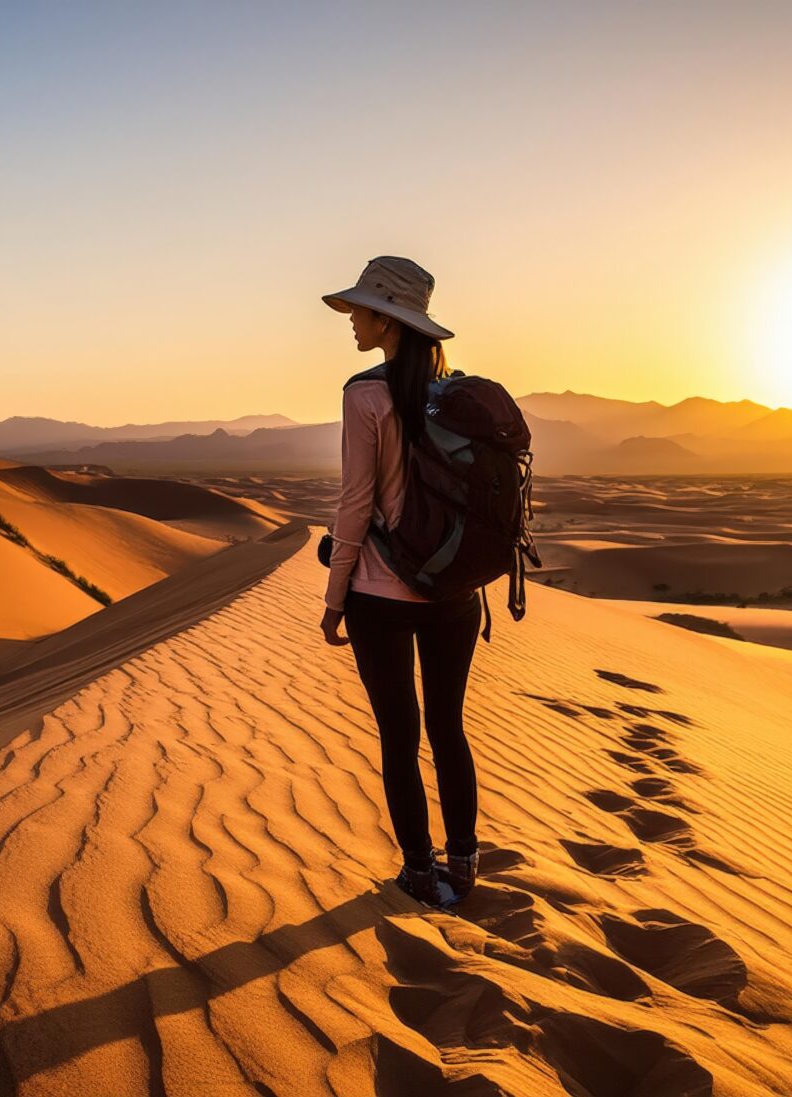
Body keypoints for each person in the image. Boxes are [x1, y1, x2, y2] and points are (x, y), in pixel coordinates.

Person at [318, 256, 483, 908]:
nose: (352, 319)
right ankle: (464, 863)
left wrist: (334, 600)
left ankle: (420, 871)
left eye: (361, 309)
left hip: (380, 598)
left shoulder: (364, 394)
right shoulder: (459, 395)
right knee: (449, 728)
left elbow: (355, 505)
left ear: (387, 317)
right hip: (454, 596)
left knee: (400, 734)